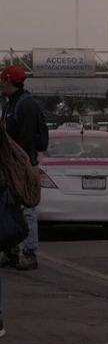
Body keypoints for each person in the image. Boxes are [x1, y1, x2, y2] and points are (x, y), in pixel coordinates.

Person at [0, 65, 41, 271]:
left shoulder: (26, 105)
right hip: (9, 168)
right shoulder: (9, 105)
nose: (0, 83)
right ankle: (10, 251)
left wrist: (18, 164)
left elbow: (26, 137)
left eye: (2, 79)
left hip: (23, 167)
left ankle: (29, 253)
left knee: (27, 209)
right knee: (9, 208)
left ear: (9, 80)